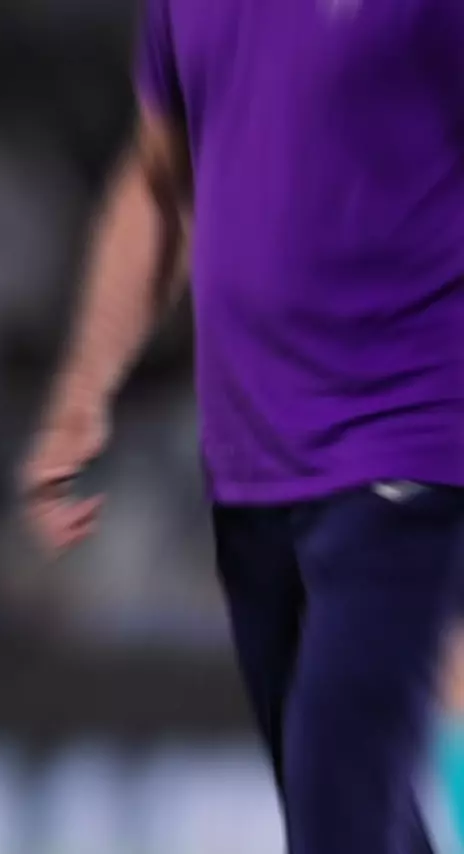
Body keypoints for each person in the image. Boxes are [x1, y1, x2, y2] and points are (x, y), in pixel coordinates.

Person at [24, 0, 464, 851]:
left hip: (403, 445)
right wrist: (82, 393)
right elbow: (159, 185)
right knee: (347, 809)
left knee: (338, 813)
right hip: (251, 470)